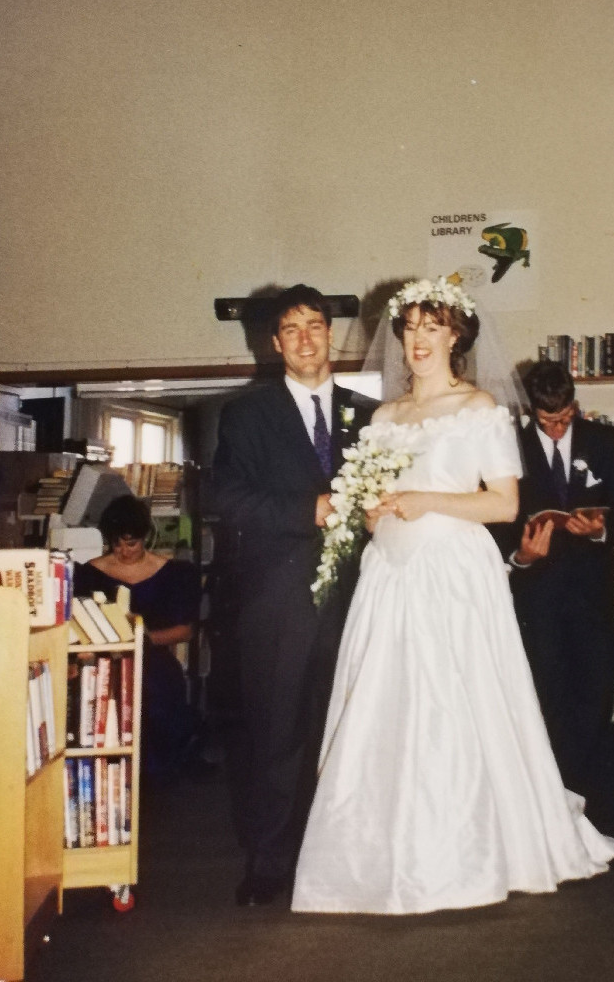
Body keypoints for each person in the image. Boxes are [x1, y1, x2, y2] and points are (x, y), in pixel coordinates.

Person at [292, 280, 614, 916]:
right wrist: (375, 511)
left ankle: (472, 848)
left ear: (455, 336)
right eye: (410, 327)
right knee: (388, 703)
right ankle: (380, 853)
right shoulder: (384, 416)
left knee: (458, 700)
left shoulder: (480, 406)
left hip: (454, 572)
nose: (418, 339)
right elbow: (367, 512)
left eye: (431, 326)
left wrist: (426, 501)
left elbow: (504, 503)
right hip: (392, 571)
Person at [209, 285, 377, 907]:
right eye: (292, 329)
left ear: (330, 334)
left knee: (352, 732)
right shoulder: (246, 415)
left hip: (361, 599)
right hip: (276, 601)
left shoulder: (369, 413)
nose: (307, 338)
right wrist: (310, 509)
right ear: (275, 343)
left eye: (316, 325)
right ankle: (270, 861)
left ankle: (348, 855)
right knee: (276, 735)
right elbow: (227, 499)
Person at [500, 360, 614, 806]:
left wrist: (598, 530)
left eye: (564, 419)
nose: (557, 431)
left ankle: (588, 790)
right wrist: (521, 556)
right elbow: (499, 525)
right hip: (536, 596)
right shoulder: (511, 449)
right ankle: (552, 793)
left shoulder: (604, 440)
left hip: (591, 592)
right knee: (547, 692)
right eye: (546, 422)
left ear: (575, 406)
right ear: (530, 413)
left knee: (596, 689)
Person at [74, 494, 203, 782]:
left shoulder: (172, 573)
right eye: (116, 543)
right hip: (105, 658)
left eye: (130, 543)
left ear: (145, 537)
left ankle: (154, 773)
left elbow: (185, 630)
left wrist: (142, 639)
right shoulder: (91, 572)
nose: (123, 551)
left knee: (156, 688)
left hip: (152, 656)